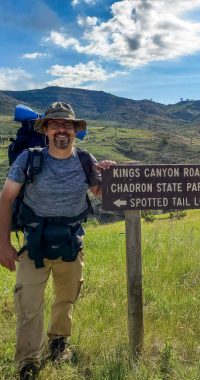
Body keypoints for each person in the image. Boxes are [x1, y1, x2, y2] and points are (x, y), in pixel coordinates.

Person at [0, 102, 115, 379]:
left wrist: (109, 173)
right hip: (34, 243)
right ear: (46, 129)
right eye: (55, 124)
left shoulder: (85, 159)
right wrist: (2, 244)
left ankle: (58, 344)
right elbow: (6, 199)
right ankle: (28, 362)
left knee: (66, 299)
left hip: (71, 243)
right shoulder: (28, 159)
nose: (61, 129)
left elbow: (99, 192)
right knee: (28, 305)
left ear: (75, 130)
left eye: (67, 125)